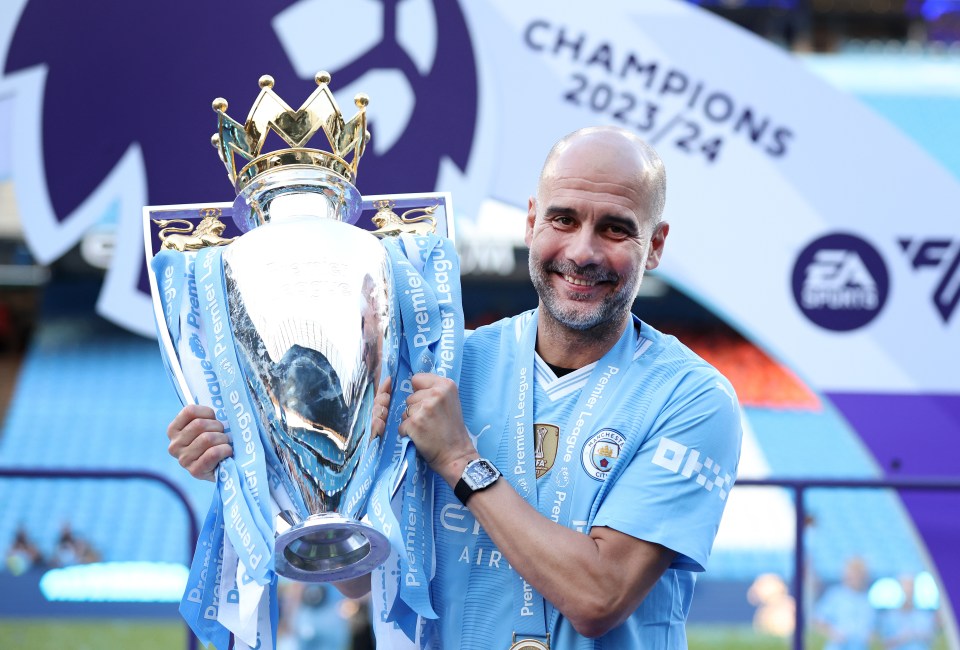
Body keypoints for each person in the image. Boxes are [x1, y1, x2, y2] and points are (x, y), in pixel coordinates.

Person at [167, 126, 743, 648]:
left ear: (657, 244)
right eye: (563, 219)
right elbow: (361, 578)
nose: (583, 251)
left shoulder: (690, 397)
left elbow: (600, 597)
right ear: (531, 222)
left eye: (616, 229)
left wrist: (461, 460)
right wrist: (261, 465)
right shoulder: (445, 363)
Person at [813, 556, 876, 650]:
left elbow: (873, 627)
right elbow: (818, 620)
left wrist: (869, 635)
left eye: (859, 574)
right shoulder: (835, 595)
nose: (856, 578)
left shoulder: (867, 600)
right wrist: (833, 633)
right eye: (853, 574)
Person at [878, 574, 938, 650]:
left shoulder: (924, 616)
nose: (908, 591)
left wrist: (917, 634)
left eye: (910, 587)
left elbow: (931, 639)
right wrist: (902, 637)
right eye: (905, 587)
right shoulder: (889, 617)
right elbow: (884, 643)